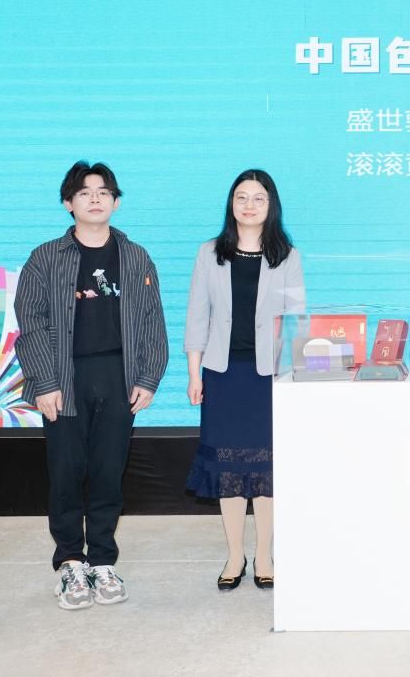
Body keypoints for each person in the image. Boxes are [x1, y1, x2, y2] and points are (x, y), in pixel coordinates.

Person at [15, 160, 168, 610]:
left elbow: (152, 321)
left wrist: (148, 377)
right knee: (66, 472)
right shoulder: (46, 257)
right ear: (69, 203)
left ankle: (102, 560)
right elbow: (31, 322)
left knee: (108, 473)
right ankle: (69, 562)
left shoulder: (136, 257)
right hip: (63, 378)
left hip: (119, 376)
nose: (95, 198)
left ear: (116, 202)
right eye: (84, 192)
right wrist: (45, 382)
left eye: (103, 192)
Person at [184, 169, 305, 591]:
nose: (249, 205)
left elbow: (296, 320)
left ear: (271, 206)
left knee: (266, 470)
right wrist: (194, 373)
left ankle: (265, 555)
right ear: (231, 204)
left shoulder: (287, 256)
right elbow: (197, 315)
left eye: (258, 198)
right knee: (229, 470)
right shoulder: (209, 253)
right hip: (222, 374)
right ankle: (235, 554)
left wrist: (295, 375)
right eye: (241, 197)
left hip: (268, 377)